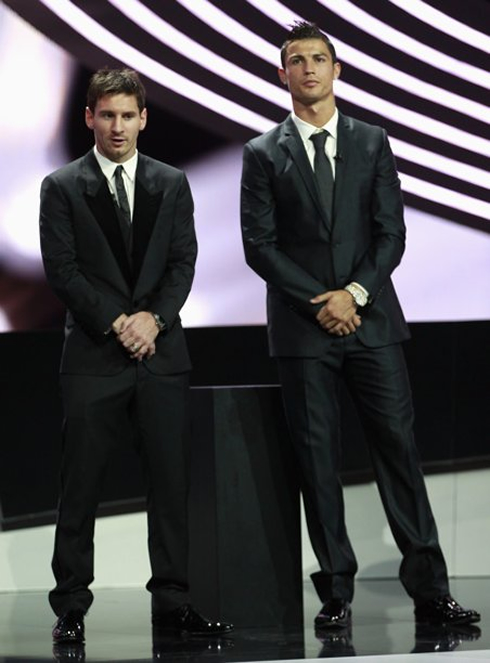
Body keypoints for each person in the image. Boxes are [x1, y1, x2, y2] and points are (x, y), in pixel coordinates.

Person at [240, 22, 480, 631]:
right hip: (302, 332)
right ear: (283, 74)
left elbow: (390, 232)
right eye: (298, 61)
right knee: (317, 462)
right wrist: (320, 302)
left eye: (320, 59)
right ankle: (336, 593)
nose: (310, 70)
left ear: (337, 69)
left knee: (398, 453)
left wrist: (353, 294)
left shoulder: (372, 141)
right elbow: (259, 247)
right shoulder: (262, 153)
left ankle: (432, 590)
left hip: (372, 326)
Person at [40, 67, 232, 644]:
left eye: (128, 115)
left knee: (171, 485)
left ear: (144, 118)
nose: (118, 126)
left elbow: (182, 264)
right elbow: (63, 271)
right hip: (95, 358)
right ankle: (71, 605)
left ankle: (173, 603)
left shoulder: (172, 183)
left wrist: (155, 319)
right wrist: (119, 321)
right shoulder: (62, 186)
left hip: (161, 354)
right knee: (81, 486)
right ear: (89, 117)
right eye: (107, 115)